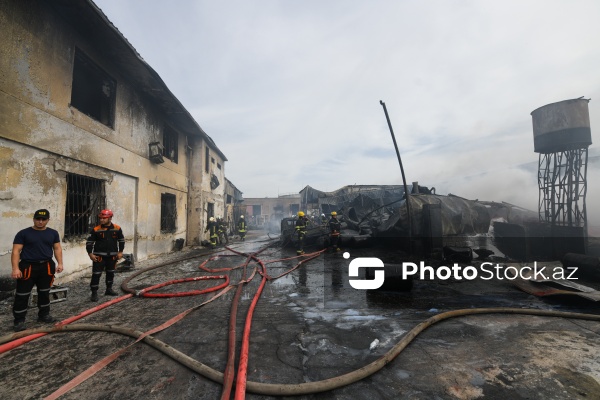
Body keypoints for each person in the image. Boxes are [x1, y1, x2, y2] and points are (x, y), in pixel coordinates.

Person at [11, 209, 64, 332]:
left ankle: (44, 315)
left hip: (46, 266)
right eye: (38, 219)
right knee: (22, 294)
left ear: (47, 220)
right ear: (34, 219)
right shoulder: (23, 233)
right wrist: (15, 268)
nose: (40, 221)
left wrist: (60, 263)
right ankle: (19, 320)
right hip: (28, 267)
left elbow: (57, 248)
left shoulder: (53, 233)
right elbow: (16, 251)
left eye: (43, 219)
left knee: (44, 292)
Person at [86, 209, 125, 302]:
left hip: (112, 256)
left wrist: (120, 252)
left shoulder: (117, 228)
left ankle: (109, 289)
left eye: (104, 218)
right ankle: (94, 293)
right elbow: (89, 243)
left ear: (110, 218)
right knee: (96, 274)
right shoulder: (96, 229)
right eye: (101, 218)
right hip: (99, 256)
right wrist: (90, 254)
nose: (101, 220)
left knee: (110, 273)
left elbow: (121, 241)